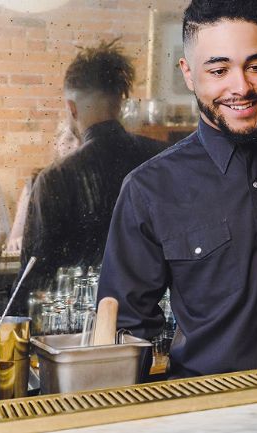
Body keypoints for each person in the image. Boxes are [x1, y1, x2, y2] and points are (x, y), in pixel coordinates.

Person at [97, 0, 257, 378]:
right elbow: (126, 331)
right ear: (189, 74)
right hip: (212, 407)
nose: (241, 87)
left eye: (255, 66)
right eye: (219, 70)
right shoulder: (149, 189)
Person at [20, 40, 167, 299]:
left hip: (82, 331)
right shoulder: (163, 158)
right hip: (156, 318)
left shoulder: (55, 178)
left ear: (71, 108)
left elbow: (35, 281)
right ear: (119, 105)